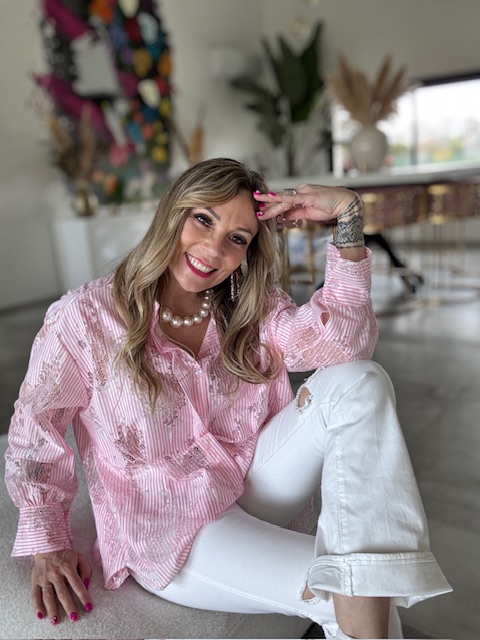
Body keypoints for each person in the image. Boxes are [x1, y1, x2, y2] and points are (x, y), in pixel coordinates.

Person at [5, 158, 451, 639]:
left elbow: (345, 346)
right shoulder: (85, 317)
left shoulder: (249, 306)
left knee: (361, 380)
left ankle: (363, 564)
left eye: (237, 238)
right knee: (354, 591)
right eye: (203, 219)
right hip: (169, 526)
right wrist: (48, 543)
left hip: (250, 480)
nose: (213, 249)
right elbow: (36, 426)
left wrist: (348, 216)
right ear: (173, 211)